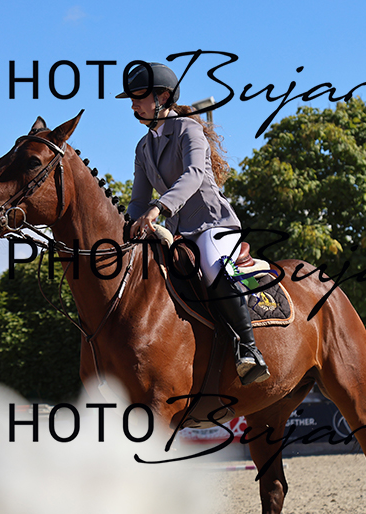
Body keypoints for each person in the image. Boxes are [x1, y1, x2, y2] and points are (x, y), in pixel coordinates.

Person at [116, 62, 270, 384]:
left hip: (212, 223)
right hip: (177, 232)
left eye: (139, 97)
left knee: (214, 266)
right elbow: (138, 199)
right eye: (131, 99)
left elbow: (194, 175)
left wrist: (159, 208)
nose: (133, 105)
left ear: (162, 97)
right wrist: (127, 225)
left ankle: (249, 349)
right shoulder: (143, 147)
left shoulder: (188, 129)